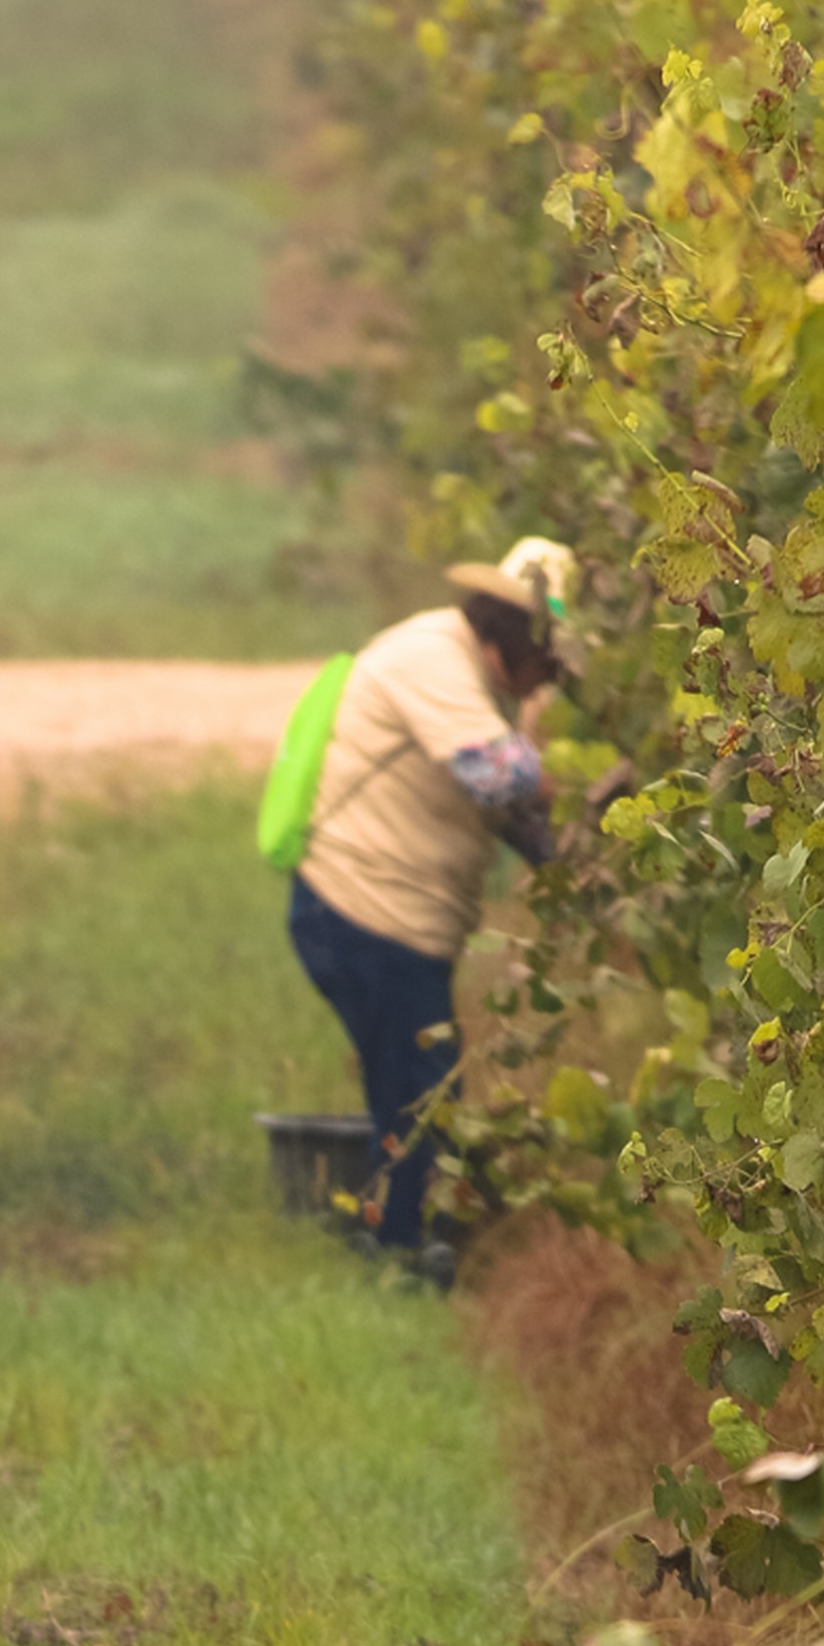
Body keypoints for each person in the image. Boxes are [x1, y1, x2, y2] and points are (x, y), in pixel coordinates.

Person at [286, 536, 575, 1287]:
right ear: (518, 638)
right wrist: (571, 768)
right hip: (364, 913)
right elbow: (498, 775)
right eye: (547, 664)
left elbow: (518, 819)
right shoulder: (434, 658)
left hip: (385, 923)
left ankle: (402, 1240)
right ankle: (403, 1256)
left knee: (412, 1088)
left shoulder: (461, 677)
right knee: (422, 1090)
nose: (545, 681)